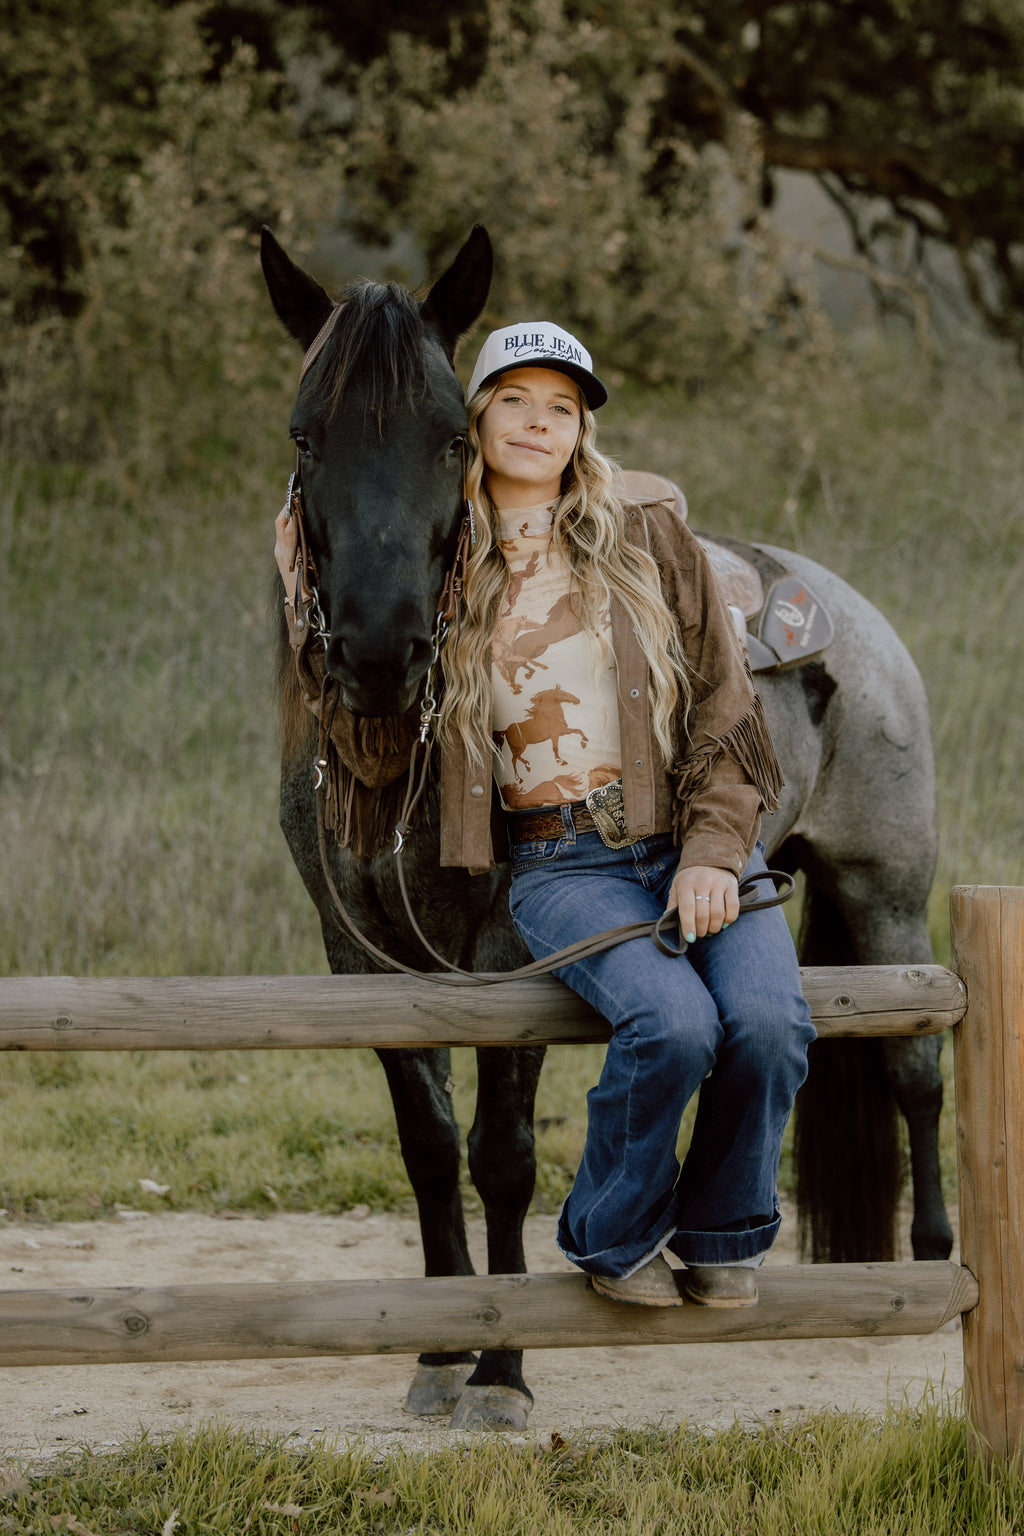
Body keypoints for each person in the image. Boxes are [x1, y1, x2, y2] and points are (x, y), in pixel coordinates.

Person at [274, 319, 815, 1310]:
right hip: (565, 861)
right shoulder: (448, 564)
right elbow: (369, 722)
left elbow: (725, 709)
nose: (538, 423)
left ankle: (723, 1228)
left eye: (561, 407)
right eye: (515, 402)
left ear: (582, 429)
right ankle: (612, 1233)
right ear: (473, 424)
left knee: (773, 1023)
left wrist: (710, 853)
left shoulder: (645, 534)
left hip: (690, 840)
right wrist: (303, 591)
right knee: (674, 1027)